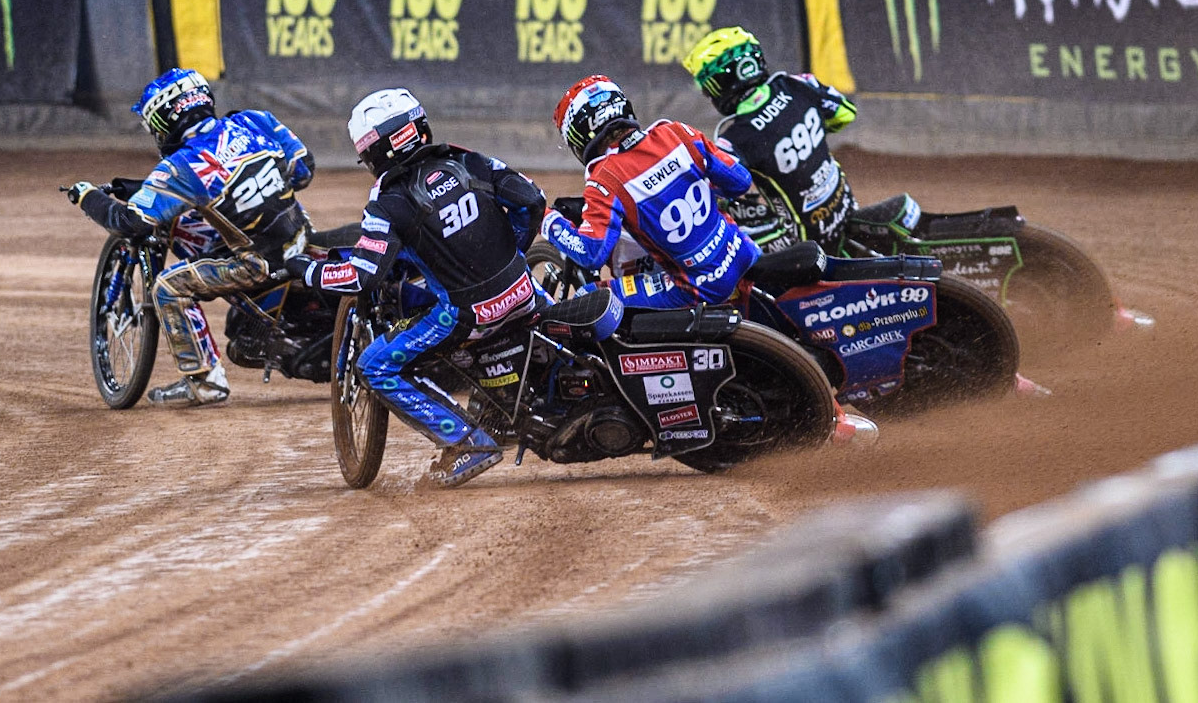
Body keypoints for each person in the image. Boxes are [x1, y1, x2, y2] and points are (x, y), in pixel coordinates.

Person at [285, 88, 549, 488]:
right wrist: (508, 251)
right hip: (526, 290)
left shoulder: (387, 202)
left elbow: (362, 277)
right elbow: (532, 200)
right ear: (419, 128)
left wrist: (306, 272)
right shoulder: (470, 159)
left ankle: (467, 441)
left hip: (467, 316)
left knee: (374, 365)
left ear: (375, 154)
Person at [65, 68, 316, 406]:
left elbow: (129, 222)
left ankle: (205, 382)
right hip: (300, 237)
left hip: (257, 264)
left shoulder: (183, 165)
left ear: (167, 121)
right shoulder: (253, 121)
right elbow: (303, 170)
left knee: (168, 287)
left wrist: (87, 197)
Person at [541, 74, 760, 309]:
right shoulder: (676, 132)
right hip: (743, 251)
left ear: (580, 136)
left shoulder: (604, 177)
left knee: (587, 297)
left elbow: (591, 253)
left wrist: (545, 218)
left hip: (700, 288)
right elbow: (740, 182)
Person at [681, 26, 858, 255]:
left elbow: (718, 193)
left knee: (722, 248)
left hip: (803, 240)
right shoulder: (797, 84)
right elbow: (845, 114)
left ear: (720, 83)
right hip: (845, 207)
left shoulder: (734, 139)